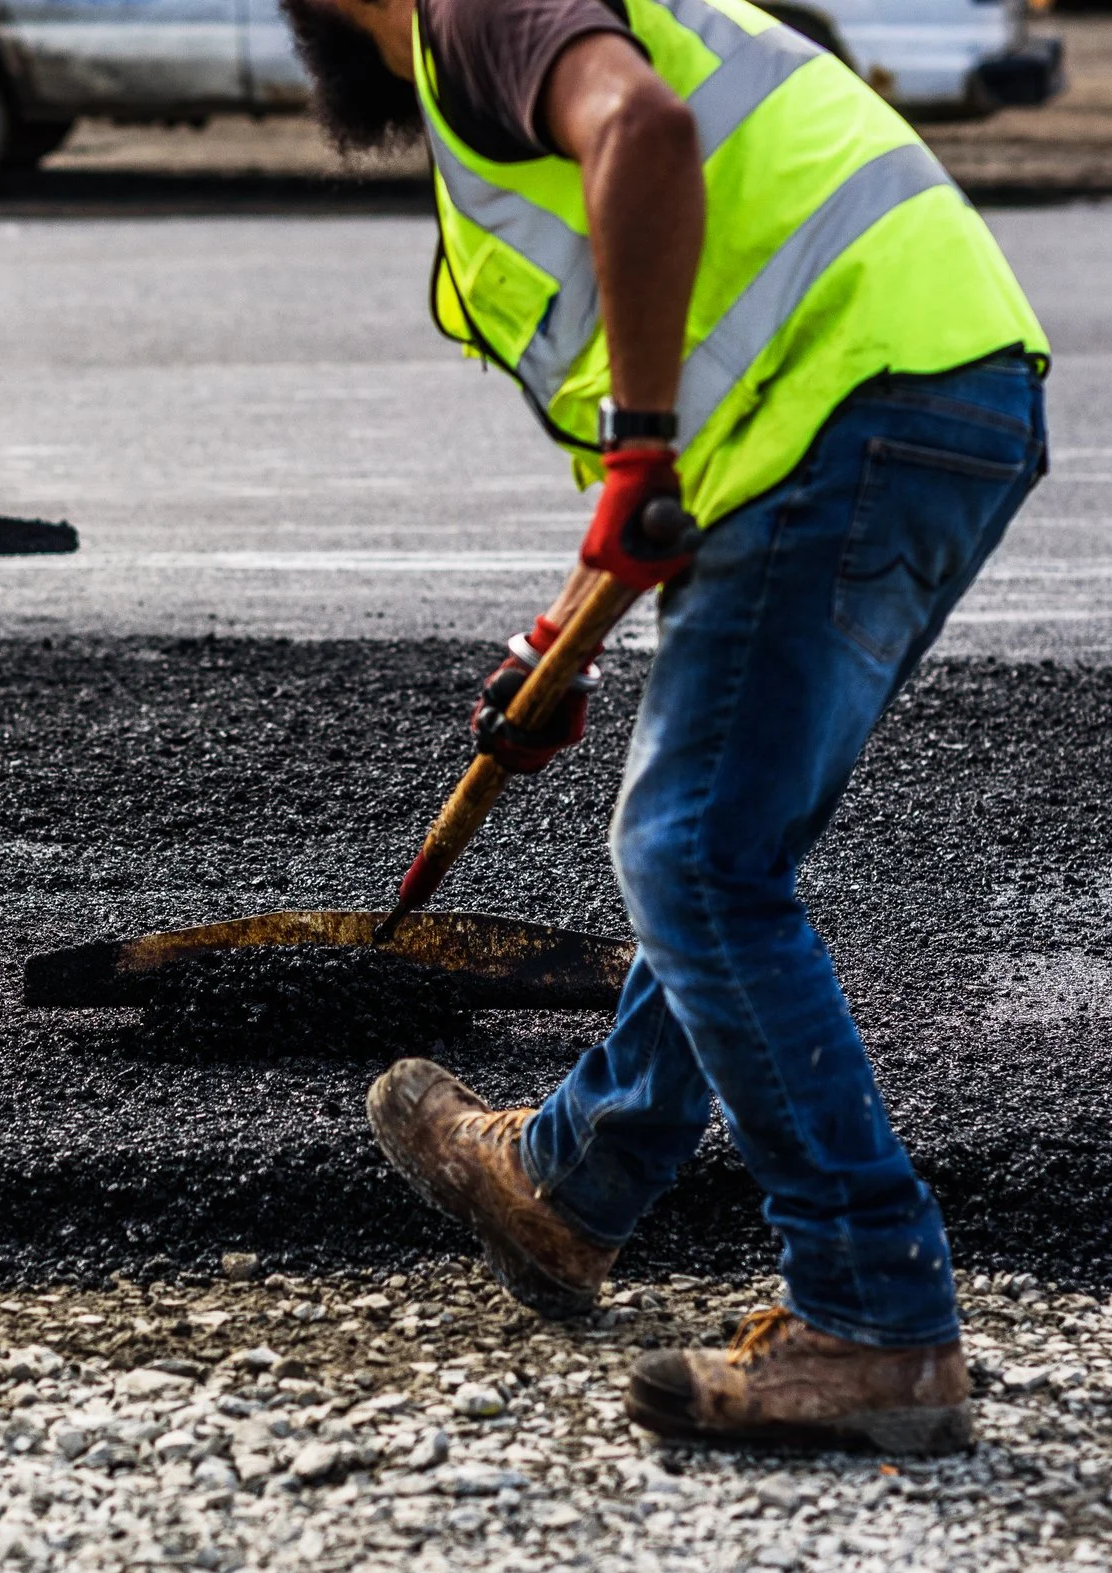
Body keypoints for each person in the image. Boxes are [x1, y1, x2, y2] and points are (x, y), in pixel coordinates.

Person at [282, 0, 1049, 1453]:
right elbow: (678, 414)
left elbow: (644, 132)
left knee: (694, 854)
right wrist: (563, 642)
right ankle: (571, 1184)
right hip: (929, 397)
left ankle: (877, 1319)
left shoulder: (477, 9)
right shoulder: (497, 77)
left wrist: (637, 445)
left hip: (853, 401)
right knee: (726, 841)